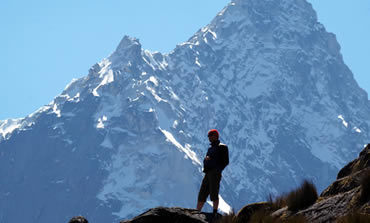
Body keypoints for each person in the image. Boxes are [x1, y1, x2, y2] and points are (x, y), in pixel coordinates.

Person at [196, 129, 229, 214]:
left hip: (215, 173)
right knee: (202, 192)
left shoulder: (222, 147)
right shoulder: (210, 149)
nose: (209, 137)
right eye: (208, 136)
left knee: (214, 192)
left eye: (210, 135)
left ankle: (214, 212)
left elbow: (225, 161)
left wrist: (218, 169)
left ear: (215, 136)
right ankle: (197, 211)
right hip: (207, 173)